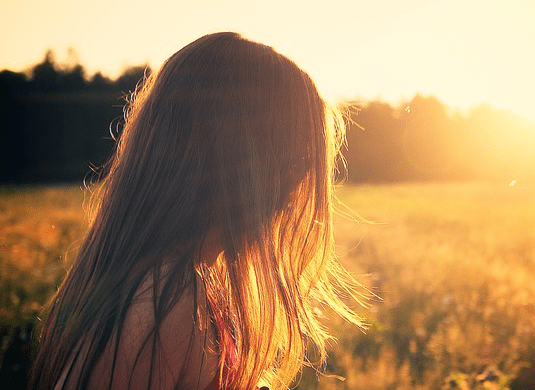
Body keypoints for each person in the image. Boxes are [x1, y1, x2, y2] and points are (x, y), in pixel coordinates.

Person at [29, 32, 365, 390]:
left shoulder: (165, 284)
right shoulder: (166, 303)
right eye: (298, 159)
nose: (299, 185)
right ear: (245, 163)